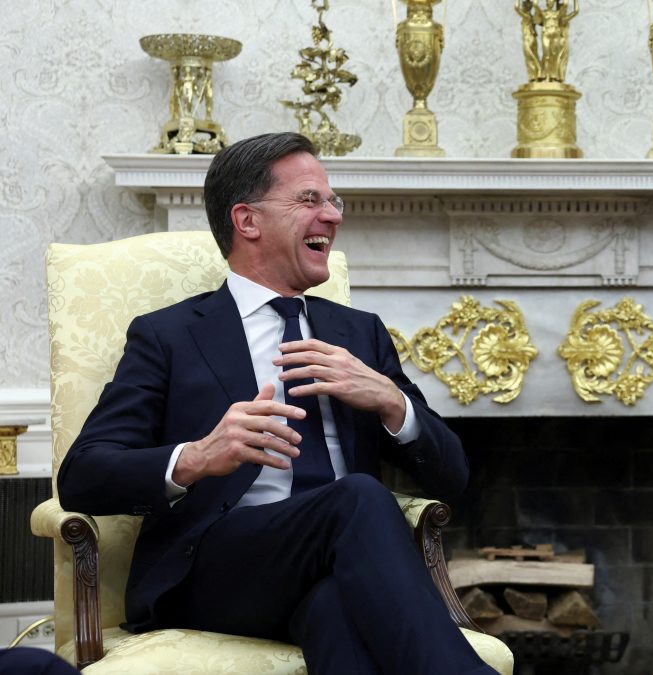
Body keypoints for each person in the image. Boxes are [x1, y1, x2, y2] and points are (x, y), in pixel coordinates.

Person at [56, 132, 496, 675]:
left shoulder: (359, 334)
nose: (332, 217)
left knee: (336, 610)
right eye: (310, 200)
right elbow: (82, 475)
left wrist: (391, 402)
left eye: (333, 202)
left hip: (330, 566)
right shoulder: (169, 336)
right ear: (247, 221)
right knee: (356, 496)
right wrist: (196, 456)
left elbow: (453, 476)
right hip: (212, 570)